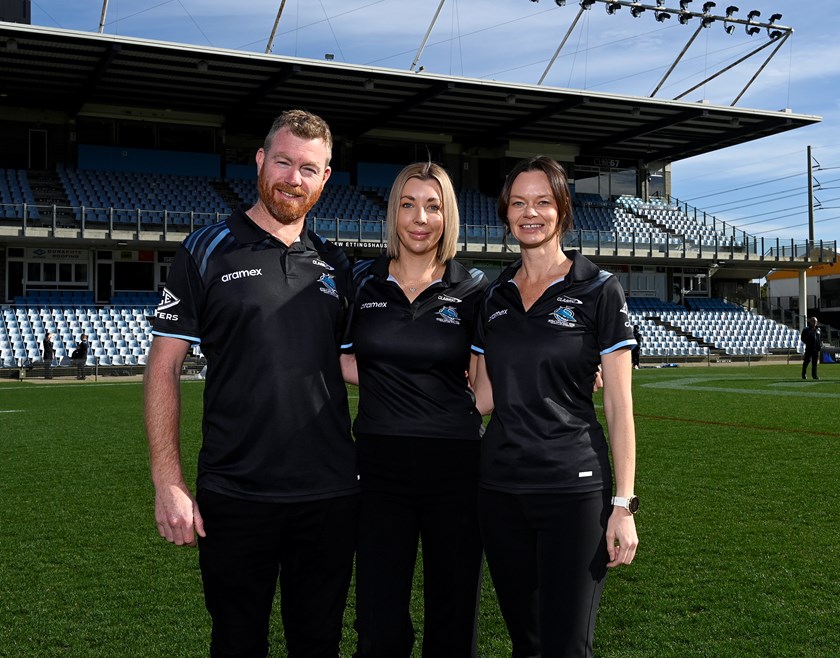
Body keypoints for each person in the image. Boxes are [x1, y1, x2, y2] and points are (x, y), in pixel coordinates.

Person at [144, 109, 359, 658]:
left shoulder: (337, 265)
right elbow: (164, 366)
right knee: (237, 642)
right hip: (236, 494)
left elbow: (371, 359)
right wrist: (167, 480)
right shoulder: (205, 248)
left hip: (329, 493)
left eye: (309, 168)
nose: (294, 178)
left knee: (320, 643)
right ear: (261, 161)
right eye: (283, 162)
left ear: (326, 177)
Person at [471, 156, 639, 658]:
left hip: (574, 492)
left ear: (563, 210)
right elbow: (480, 396)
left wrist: (624, 504)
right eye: (519, 203)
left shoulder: (599, 288)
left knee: (566, 647)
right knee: (527, 642)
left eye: (543, 201)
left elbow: (618, 403)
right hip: (499, 491)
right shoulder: (493, 295)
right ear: (505, 215)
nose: (531, 213)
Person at [342, 162, 488, 658]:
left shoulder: (474, 289)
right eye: (408, 205)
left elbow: (492, 378)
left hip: (456, 466)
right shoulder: (360, 281)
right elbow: (336, 355)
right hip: (380, 469)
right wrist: (392, 380)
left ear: (448, 216)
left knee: (452, 615)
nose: (419, 218)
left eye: (432, 206)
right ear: (393, 213)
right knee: (379, 624)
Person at [801, 316, 822, 380]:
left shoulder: (819, 330)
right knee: (807, 361)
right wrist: (808, 342)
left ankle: (814, 375)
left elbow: (820, 338)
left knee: (815, 363)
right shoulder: (806, 330)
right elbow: (802, 338)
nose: (815, 322)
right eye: (813, 321)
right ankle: (803, 373)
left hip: (816, 349)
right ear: (810, 322)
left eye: (816, 321)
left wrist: (820, 344)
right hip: (809, 348)